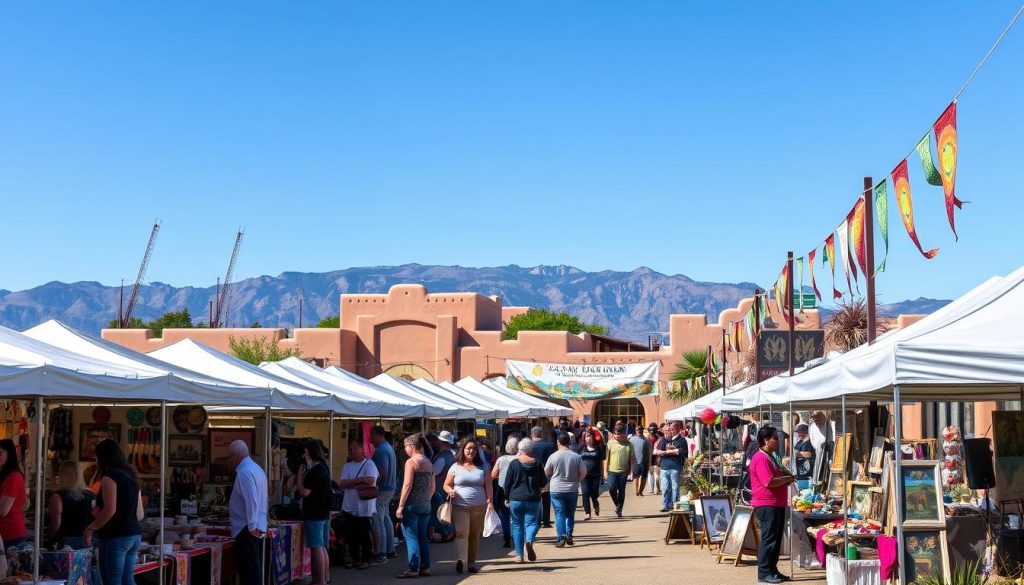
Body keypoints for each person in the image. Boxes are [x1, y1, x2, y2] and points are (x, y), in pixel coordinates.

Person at [84, 439, 146, 585]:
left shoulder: (109, 477)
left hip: (116, 536)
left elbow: (110, 510)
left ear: (103, 457)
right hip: (134, 534)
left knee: (111, 580)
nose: (95, 460)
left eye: (96, 457)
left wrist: (91, 528)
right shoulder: (131, 475)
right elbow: (139, 513)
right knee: (127, 579)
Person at [750, 426, 797, 584]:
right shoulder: (761, 457)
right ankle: (763, 573)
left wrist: (785, 477)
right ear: (766, 440)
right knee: (769, 539)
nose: (778, 441)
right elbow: (768, 481)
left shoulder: (770, 456)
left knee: (776, 539)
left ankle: (772, 570)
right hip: (766, 504)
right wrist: (786, 479)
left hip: (776, 503)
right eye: (775, 438)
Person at [443, 437, 493, 574]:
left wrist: (490, 502)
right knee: (462, 533)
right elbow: (446, 484)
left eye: (474, 449)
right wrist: (450, 491)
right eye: (468, 448)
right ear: (463, 450)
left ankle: (471, 563)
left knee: (474, 535)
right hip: (460, 506)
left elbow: (489, 486)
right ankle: (461, 560)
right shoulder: (455, 467)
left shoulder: (483, 467)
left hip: (479, 506)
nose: (471, 451)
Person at [396, 433, 435, 578]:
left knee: (411, 537)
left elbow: (407, 485)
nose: (404, 449)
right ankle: (425, 567)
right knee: (422, 537)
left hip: (411, 505)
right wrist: (427, 499)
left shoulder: (411, 462)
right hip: (425, 504)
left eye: (405, 446)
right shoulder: (429, 462)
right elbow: (432, 486)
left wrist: (400, 505)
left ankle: (413, 568)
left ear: (412, 446)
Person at [503, 438, 546, 563]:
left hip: (516, 498)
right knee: (532, 523)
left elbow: (508, 483)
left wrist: (506, 497)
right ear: (531, 449)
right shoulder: (537, 463)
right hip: (533, 497)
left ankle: (519, 555)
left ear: (520, 449)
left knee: (517, 526)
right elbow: (543, 482)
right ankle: (529, 540)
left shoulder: (514, 464)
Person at [296, 439, 331, 585]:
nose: (304, 456)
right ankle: (324, 577)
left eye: (305, 452)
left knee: (316, 546)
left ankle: (319, 580)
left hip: (314, 513)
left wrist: (299, 477)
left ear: (310, 452)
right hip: (323, 512)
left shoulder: (315, 471)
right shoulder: (324, 467)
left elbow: (304, 492)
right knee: (321, 546)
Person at [339, 440, 378, 570]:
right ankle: (355, 558)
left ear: (362, 450)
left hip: (364, 507)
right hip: (349, 505)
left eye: (355, 448)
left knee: (364, 534)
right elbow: (342, 483)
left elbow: (370, 480)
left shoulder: (369, 464)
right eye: (350, 449)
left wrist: (353, 483)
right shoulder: (347, 466)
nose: (352, 451)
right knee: (351, 535)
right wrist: (360, 480)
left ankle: (366, 559)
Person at [545, 433, 587, 547]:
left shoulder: (553, 456)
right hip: (572, 488)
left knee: (559, 513)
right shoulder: (576, 456)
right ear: (569, 442)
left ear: (558, 442)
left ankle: (561, 536)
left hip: (556, 488)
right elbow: (583, 472)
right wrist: (577, 480)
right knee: (570, 513)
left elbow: (547, 471)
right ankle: (569, 533)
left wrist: (552, 477)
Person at [47, 460, 96, 548]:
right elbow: (95, 518)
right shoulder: (91, 495)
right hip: (88, 540)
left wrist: (49, 538)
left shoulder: (58, 496)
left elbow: (56, 524)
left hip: (66, 542)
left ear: (62, 475)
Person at [369, 426, 397, 564]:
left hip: (382, 489)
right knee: (385, 517)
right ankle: (389, 548)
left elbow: (381, 471)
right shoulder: (388, 447)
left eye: (372, 436)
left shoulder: (380, 450)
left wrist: (372, 484)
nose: (370, 439)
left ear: (379, 435)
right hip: (389, 488)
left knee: (378, 520)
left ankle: (381, 552)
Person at [490, 435, 519, 548]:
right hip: (516, 489)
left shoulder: (501, 459)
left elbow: (493, 475)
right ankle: (516, 537)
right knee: (516, 516)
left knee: (505, 515)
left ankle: (507, 537)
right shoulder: (520, 459)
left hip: (502, 489)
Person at [427, 431, 456, 543]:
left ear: (443, 443)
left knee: (440, 512)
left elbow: (433, 473)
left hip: (439, 489)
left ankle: (447, 532)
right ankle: (449, 531)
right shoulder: (451, 455)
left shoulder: (442, 457)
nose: (436, 442)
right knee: (445, 512)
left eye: (438, 440)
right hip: (446, 489)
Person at [655, 421, 688, 512]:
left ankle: (675, 505)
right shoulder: (665, 440)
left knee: (675, 487)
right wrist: (662, 452)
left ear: (678, 429)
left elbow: (680, 451)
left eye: (673, 429)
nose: (671, 431)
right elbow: (656, 451)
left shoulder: (682, 440)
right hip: (664, 467)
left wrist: (667, 452)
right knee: (665, 488)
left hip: (675, 467)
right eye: (670, 429)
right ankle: (666, 505)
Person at [0, 439, 26, 548]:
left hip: (10, 534)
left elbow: (3, 510)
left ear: (9, 454)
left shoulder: (13, 477)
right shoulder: (3, 475)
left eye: (0, 453)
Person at [605, 423, 635, 518]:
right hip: (612, 471)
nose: (617, 435)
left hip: (624, 471)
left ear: (623, 434)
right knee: (611, 488)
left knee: (621, 490)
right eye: (615, 433)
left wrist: (632, 471)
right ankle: (618, 504)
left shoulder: (629, 444)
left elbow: (632, 459)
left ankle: (619, 509)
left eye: (619, 433)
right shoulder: (610, 443)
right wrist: (605, 471)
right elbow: (606, 458)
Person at [529, 426, 556, 528]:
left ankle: (536, 519)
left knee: (534, 498)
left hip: (531, 475)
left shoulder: (528, 446)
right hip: (546, 474)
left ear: (532, 434)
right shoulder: (550, 445)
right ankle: (546, 520)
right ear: (541, 434)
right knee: (546, 498)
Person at [577, 429, 604, 520]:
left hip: (595, 475)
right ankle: (587, 512)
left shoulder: (598, 448)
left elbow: (601, 462)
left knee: (594, 494)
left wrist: (603, 474)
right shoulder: (581, 447)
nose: (587, 438)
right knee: (585, 493)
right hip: (584, 475)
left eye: (589, 436)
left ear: (593, 437)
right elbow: (577, 460)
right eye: (586, 437)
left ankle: (596, 504)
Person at [629, 426, 651, 496]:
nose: (639, 431)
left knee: (644, 477)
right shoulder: (631, 439)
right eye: (637, 430)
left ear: (642, 430)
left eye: (640, 430)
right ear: (635, 431)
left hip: (645, 461)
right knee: (636, 476)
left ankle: (641, 491)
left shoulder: (646, 440)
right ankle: (636, 491)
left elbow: (649, 451)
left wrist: (649, 462)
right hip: (636, 461)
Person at [793, 424, 814, 491]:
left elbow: (810, 454)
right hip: (799, 471)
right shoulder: (799, 442)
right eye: (798, 432)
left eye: (800, 432)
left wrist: (799, 454)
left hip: (807, 472)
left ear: (806, 432)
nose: (799, 434)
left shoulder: (810, 442)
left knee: (806, 489)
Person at [646, 424, 662, 495]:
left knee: (652, 474)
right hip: (654, 457)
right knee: (654, 474)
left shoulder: (647, 438)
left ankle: (653, 489)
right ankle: (655, 488)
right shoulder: (659, 437)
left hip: (653, 457)